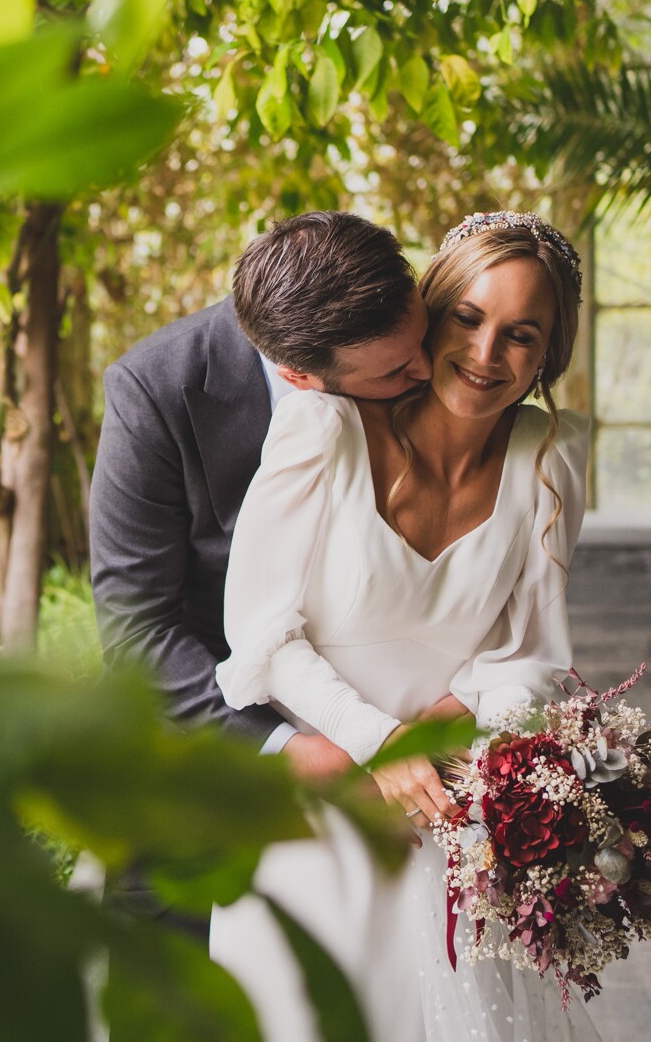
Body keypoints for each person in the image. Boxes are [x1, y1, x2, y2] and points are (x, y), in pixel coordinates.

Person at [210, 211, 599, 1042]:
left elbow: (530, 654)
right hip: (320, 809)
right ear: (433, 309)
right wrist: (376, 743)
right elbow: (262, 636)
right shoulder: (324, 429)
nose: (486, 354)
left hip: (454, 814)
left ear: (547, 356)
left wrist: (447, 754)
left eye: (521, 335)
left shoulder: (548, 458)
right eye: (468, 318)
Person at [90, 210, 433, 790]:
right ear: (299, 376)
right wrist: (299, 755)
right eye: (395, 372)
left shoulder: (421, 355)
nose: (427, 371)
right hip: (222, 737)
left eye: (422, 341)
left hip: (406, 721)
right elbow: (137, 629)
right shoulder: (153, 391)